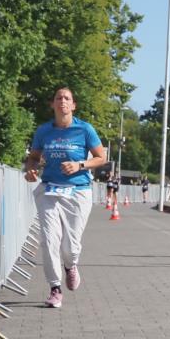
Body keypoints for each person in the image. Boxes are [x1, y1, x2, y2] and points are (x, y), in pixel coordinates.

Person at [24, 87, 107, 308]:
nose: (62, 101)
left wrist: (80, 164)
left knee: (70, 246)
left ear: (73, 105)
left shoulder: (84, 129)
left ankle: (71, 266)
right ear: (52, 104)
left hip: (78, 190)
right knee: (49, 239)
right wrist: (31, 170)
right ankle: (54, 288)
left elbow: (101, 158)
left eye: (67, 98)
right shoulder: (44, 131)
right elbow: (33, 158)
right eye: (58, 98)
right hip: (50, 189)